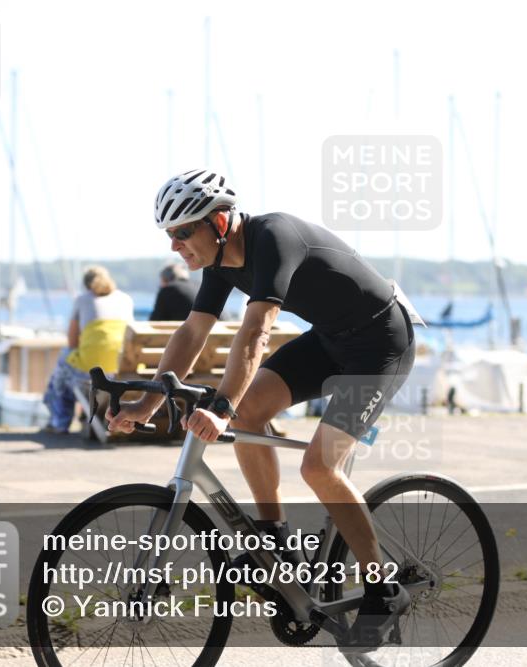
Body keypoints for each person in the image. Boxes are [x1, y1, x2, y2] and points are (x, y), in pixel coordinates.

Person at [107, 169, 415, 650]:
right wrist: (148, 401)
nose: (175, 245)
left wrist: (221, 407)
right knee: (252, 413)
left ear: (221, 221)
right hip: (332, 342)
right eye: (170, 235)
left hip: (381, 344)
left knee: (318, 466)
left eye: (184, 231)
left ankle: (384, 585)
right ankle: (275, 540)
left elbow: (257, 332)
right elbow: (192, 333)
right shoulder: (220, 264)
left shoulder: (274, 237)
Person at [42, 266, 133, 433]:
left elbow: (71, 342)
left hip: (91, 371)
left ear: (86, 285)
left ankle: (60, 421)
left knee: (63, 365)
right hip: (119, 370)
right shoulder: (125, 299)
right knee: (67, 368)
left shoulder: (83, 300)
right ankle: (85, 414)